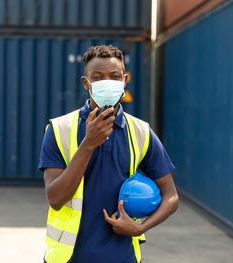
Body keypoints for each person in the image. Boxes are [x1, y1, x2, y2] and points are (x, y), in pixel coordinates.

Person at [38, 45, 179, 263]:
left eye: (114, 76)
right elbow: (55, 199)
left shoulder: (140, 132)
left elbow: (171, 196)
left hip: (123, 256)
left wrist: (140, 227)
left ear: (125, 80)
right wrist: (88, 144)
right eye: (98, 77)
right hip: (68, 258)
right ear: (86, 83)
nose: (108, 82)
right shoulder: (59, 129)